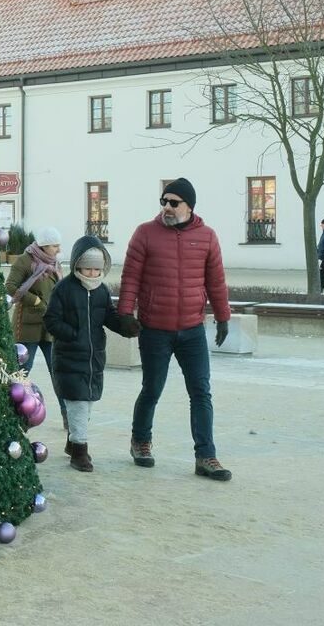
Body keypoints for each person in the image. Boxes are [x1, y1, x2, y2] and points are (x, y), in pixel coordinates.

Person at [117, 178, 233, 481]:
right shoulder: (145, 233)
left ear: (188, 206)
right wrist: (125, 314)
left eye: (173, 202)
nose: (166, 207)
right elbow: (130, 278)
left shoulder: (207, 237)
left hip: (192, 329)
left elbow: (216, 281)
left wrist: (223, 316)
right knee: (152, 389)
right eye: (163, 201)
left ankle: (206, 456)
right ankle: (140, 441)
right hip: (155, 328)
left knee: (201, 393)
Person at [43, 236, 140, 472]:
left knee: (86, 406)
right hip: (69, 357)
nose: (93, 274)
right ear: (77, 265)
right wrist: (72, 334)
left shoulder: (101, 292)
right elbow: (51, 320)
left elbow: (108, 316)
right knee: (77, 403)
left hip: (94, 358)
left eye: (97, 269)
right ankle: (79, 452)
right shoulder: (64, 289)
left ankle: (72, 441)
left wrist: (126, 326)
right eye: (88, 268)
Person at [4, 226, 67, 428]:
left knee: (58, 372)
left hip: (51, 327)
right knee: (21, 372)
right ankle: (10, 414)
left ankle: (68, 417)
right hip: (28, 327)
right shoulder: (25, 261)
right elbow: (10, 287)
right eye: (55, 246)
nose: (58, 249)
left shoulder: (54, 264)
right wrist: (37, 302)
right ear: (44, 245)